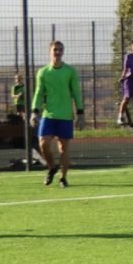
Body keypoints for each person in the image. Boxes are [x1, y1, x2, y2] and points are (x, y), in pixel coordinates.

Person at [31, 39, 84, 187]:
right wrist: (34, 112)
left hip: (65, 115)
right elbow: (38, 92)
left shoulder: (70, 71)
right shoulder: (43, 72)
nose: (58, 52)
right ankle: (51, 168)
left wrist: (80, 113)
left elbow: (76, 93)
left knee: (63, 148)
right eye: (55, 49)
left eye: (60, 49)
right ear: (50, 52)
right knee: (43, 144)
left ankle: (63, 178)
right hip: (49, 115)